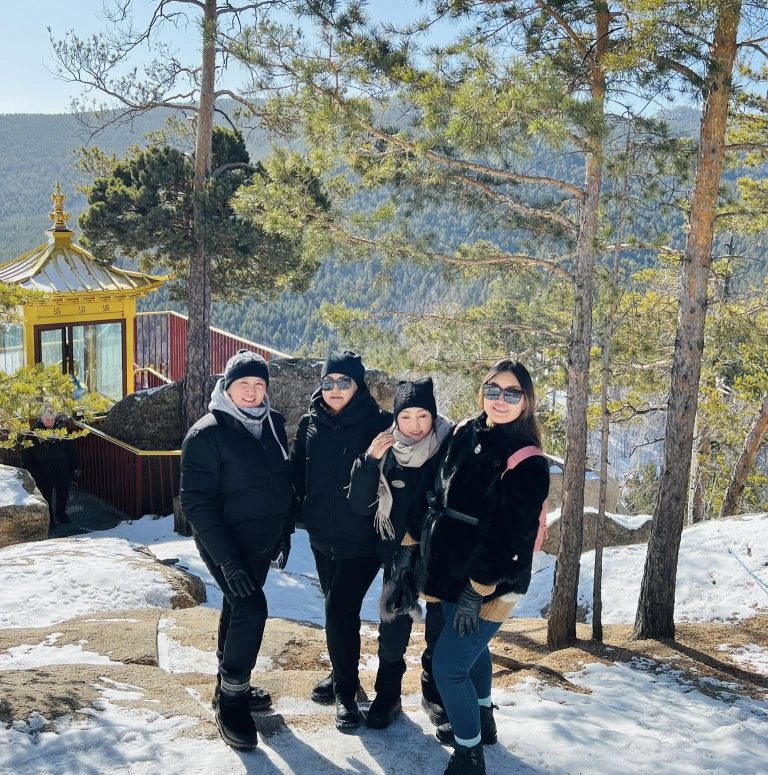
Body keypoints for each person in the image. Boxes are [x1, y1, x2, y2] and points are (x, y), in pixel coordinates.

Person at [417, 360, 549, 775]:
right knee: (473, 654)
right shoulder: (466, 432)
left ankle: (469, 756)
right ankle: (483, 720)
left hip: (492, 580)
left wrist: (477, 589)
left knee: (448, 666)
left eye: (512, 393)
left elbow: (510, 537)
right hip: (450, 568)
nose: (500, 400)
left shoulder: (528, 460)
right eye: (493, 390)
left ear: (526, 401)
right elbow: (440, 492)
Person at [180, 349, 294, 751]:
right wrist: (227, 561)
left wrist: (284, 531)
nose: (251, 391)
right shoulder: (206, 433)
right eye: (243, 383)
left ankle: (227, 684)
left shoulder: (274, 424)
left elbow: (283, 480)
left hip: (262, 540)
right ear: (227, 387)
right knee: (251, 608)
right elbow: (195, 501)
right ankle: (231, 702)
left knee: (236, 608)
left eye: (259, 384)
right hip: (224, 543)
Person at [290, 350, 391, 730]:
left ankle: (346, 696)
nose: (335, 388)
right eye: (328, 381)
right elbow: (296, 475)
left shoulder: (379, 424)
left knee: (338, 609)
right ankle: (341, 671)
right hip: (322, 538)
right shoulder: (310, 423)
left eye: (343, 381)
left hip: (363, 541)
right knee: (338, 612)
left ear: (357, 385)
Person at [347, 377, 452, 730]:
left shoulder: (449, 445)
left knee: (438, 628)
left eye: (423, 415)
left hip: (439, 552)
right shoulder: (386, 448)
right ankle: (388, 695)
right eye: (406, 416)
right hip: (399, 553)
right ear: (396, 418)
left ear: (433, 415)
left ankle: (433, 692)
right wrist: (369, 461)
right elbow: (360, 504)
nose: (415, 425)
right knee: (393, 629)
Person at [23, 407, 79, 530]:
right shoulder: (33, 433)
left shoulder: (61, 431)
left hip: (61, 468)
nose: (50, 422)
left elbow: (71, 450)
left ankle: (61, 513)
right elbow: (26, 454)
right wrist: (31, 470)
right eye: (47, 419)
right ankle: (50, 518)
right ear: (41, 419)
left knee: (63, 493)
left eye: (52, 419)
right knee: (45, 496)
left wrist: (75, 466)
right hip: (42, 470)